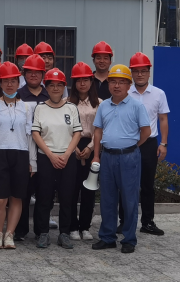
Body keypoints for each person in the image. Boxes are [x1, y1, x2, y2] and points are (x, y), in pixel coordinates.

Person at [90, 65, 151, 254]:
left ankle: (129, 239)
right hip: (107, 157)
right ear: (109, 84)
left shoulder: (137, 106)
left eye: (121, 82)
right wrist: (96, 155)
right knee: (107, 199)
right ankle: (107, 237)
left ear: (128, 85)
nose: (117, 86)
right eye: (113, 82)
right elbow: (98, 131)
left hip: (129, 157)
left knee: (129, 199)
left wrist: (131, 146)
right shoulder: (103, 106)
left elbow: (146, 131)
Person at [0, 61, 31, 250]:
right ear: (0, 83)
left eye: (13, 81)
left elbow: (30, 135)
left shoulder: (26, 107)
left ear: (18, 83)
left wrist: (32, 161)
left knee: (16, 197)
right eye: (5, 81)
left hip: (20, 152)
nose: (9, 85)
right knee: (0, 198)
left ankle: (10, 234)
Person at [30, 68, 81, 250]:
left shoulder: (71, 108)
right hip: (46, 158)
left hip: (67, 158)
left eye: (59, 85)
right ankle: (42, 233)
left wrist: (66, 155)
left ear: (64, 87)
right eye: (52, 85)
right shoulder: (40, 108)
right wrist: (51, 155)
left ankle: (64, 233)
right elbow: (36, 133)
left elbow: (77, 133)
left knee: (67, 197)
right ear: (47, 87)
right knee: (44, 197)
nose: (56, 88)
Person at [127, 52, 169, 237]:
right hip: (128, 143)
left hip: (150, 143)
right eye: (136, 71)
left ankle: (148, 222)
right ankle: (124, 221)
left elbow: (163, 119)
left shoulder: (159, 94)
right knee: (126, 184)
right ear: (131, 73)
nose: (140, 74)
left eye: (143, 71)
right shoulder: (126, 93)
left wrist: (163, 143)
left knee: (147, 185)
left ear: (149, 73)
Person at [14, 55, 50, 241]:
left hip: (47, 150)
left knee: (44, 192)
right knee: (23, 191)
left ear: (43, 74)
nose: (33, 75)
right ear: (24, 73)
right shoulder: (17, 95)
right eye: (30, 72)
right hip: (23, 148)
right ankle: (20, 230)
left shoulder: (50, 94)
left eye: (37, 72)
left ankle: (41, 230)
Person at [69, 62, 100, 241]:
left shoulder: (100, 104)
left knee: (89, 189)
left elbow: (101, 129)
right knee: (72, 189)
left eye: (86, 80)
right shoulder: (67, 103)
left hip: (92, 145)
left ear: (91, 81)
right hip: (72, 146)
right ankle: (73, 227)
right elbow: (65, 129)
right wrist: (73, 148)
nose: (82, 83)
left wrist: (90, 148)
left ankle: (85, 226)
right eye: (78, 80)